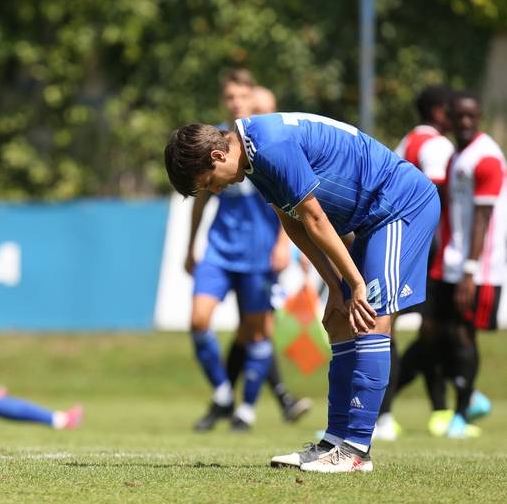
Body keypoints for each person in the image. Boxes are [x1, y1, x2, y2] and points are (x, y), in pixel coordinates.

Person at [165, 112, 439, 473]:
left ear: (217, 157)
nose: (216, 190)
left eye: (210, 182)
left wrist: (355, 285)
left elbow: (315, 219)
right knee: (341, 321)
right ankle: (333, 442)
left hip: (400, 207)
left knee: (370, 316)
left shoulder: (270, 146)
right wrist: (334, 286)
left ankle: (355, 450)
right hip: (371, 219)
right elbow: (292, 223)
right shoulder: (252, 156)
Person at [185, 71, 309, 433]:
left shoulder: (263, 141)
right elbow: (200, 197)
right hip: (220, 249)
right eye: (230, 97)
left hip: (259, 253)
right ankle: (224, 393)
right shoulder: (213, 142)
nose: (236, 102)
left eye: (242, 96)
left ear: (251, 98)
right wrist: (190, 244)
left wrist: (284, 244)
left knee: (256, 332)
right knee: (198, 320)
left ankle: (248, 410)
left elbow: (288, 198)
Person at [374, 86, 455, 440]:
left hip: (395, 240)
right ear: (438, 111)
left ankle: (433, 411)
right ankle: (398, 413)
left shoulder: (406, 141)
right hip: (427, 249)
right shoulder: (437, 145)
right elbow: (432, 197)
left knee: (395, 324)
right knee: (428, 328)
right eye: (451, 110)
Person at [428, 91, 504, 438]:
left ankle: (461, 412)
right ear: (449, 117)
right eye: (460, 117)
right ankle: (469, 399)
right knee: (439, 331)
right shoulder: (457, 155)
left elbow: (483, 218)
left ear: (480, 118)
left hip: (479, 266)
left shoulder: (486, 158)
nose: (466, 123)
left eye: (472, 117)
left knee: (462, 333)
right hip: (453, 260)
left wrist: (470, 272)